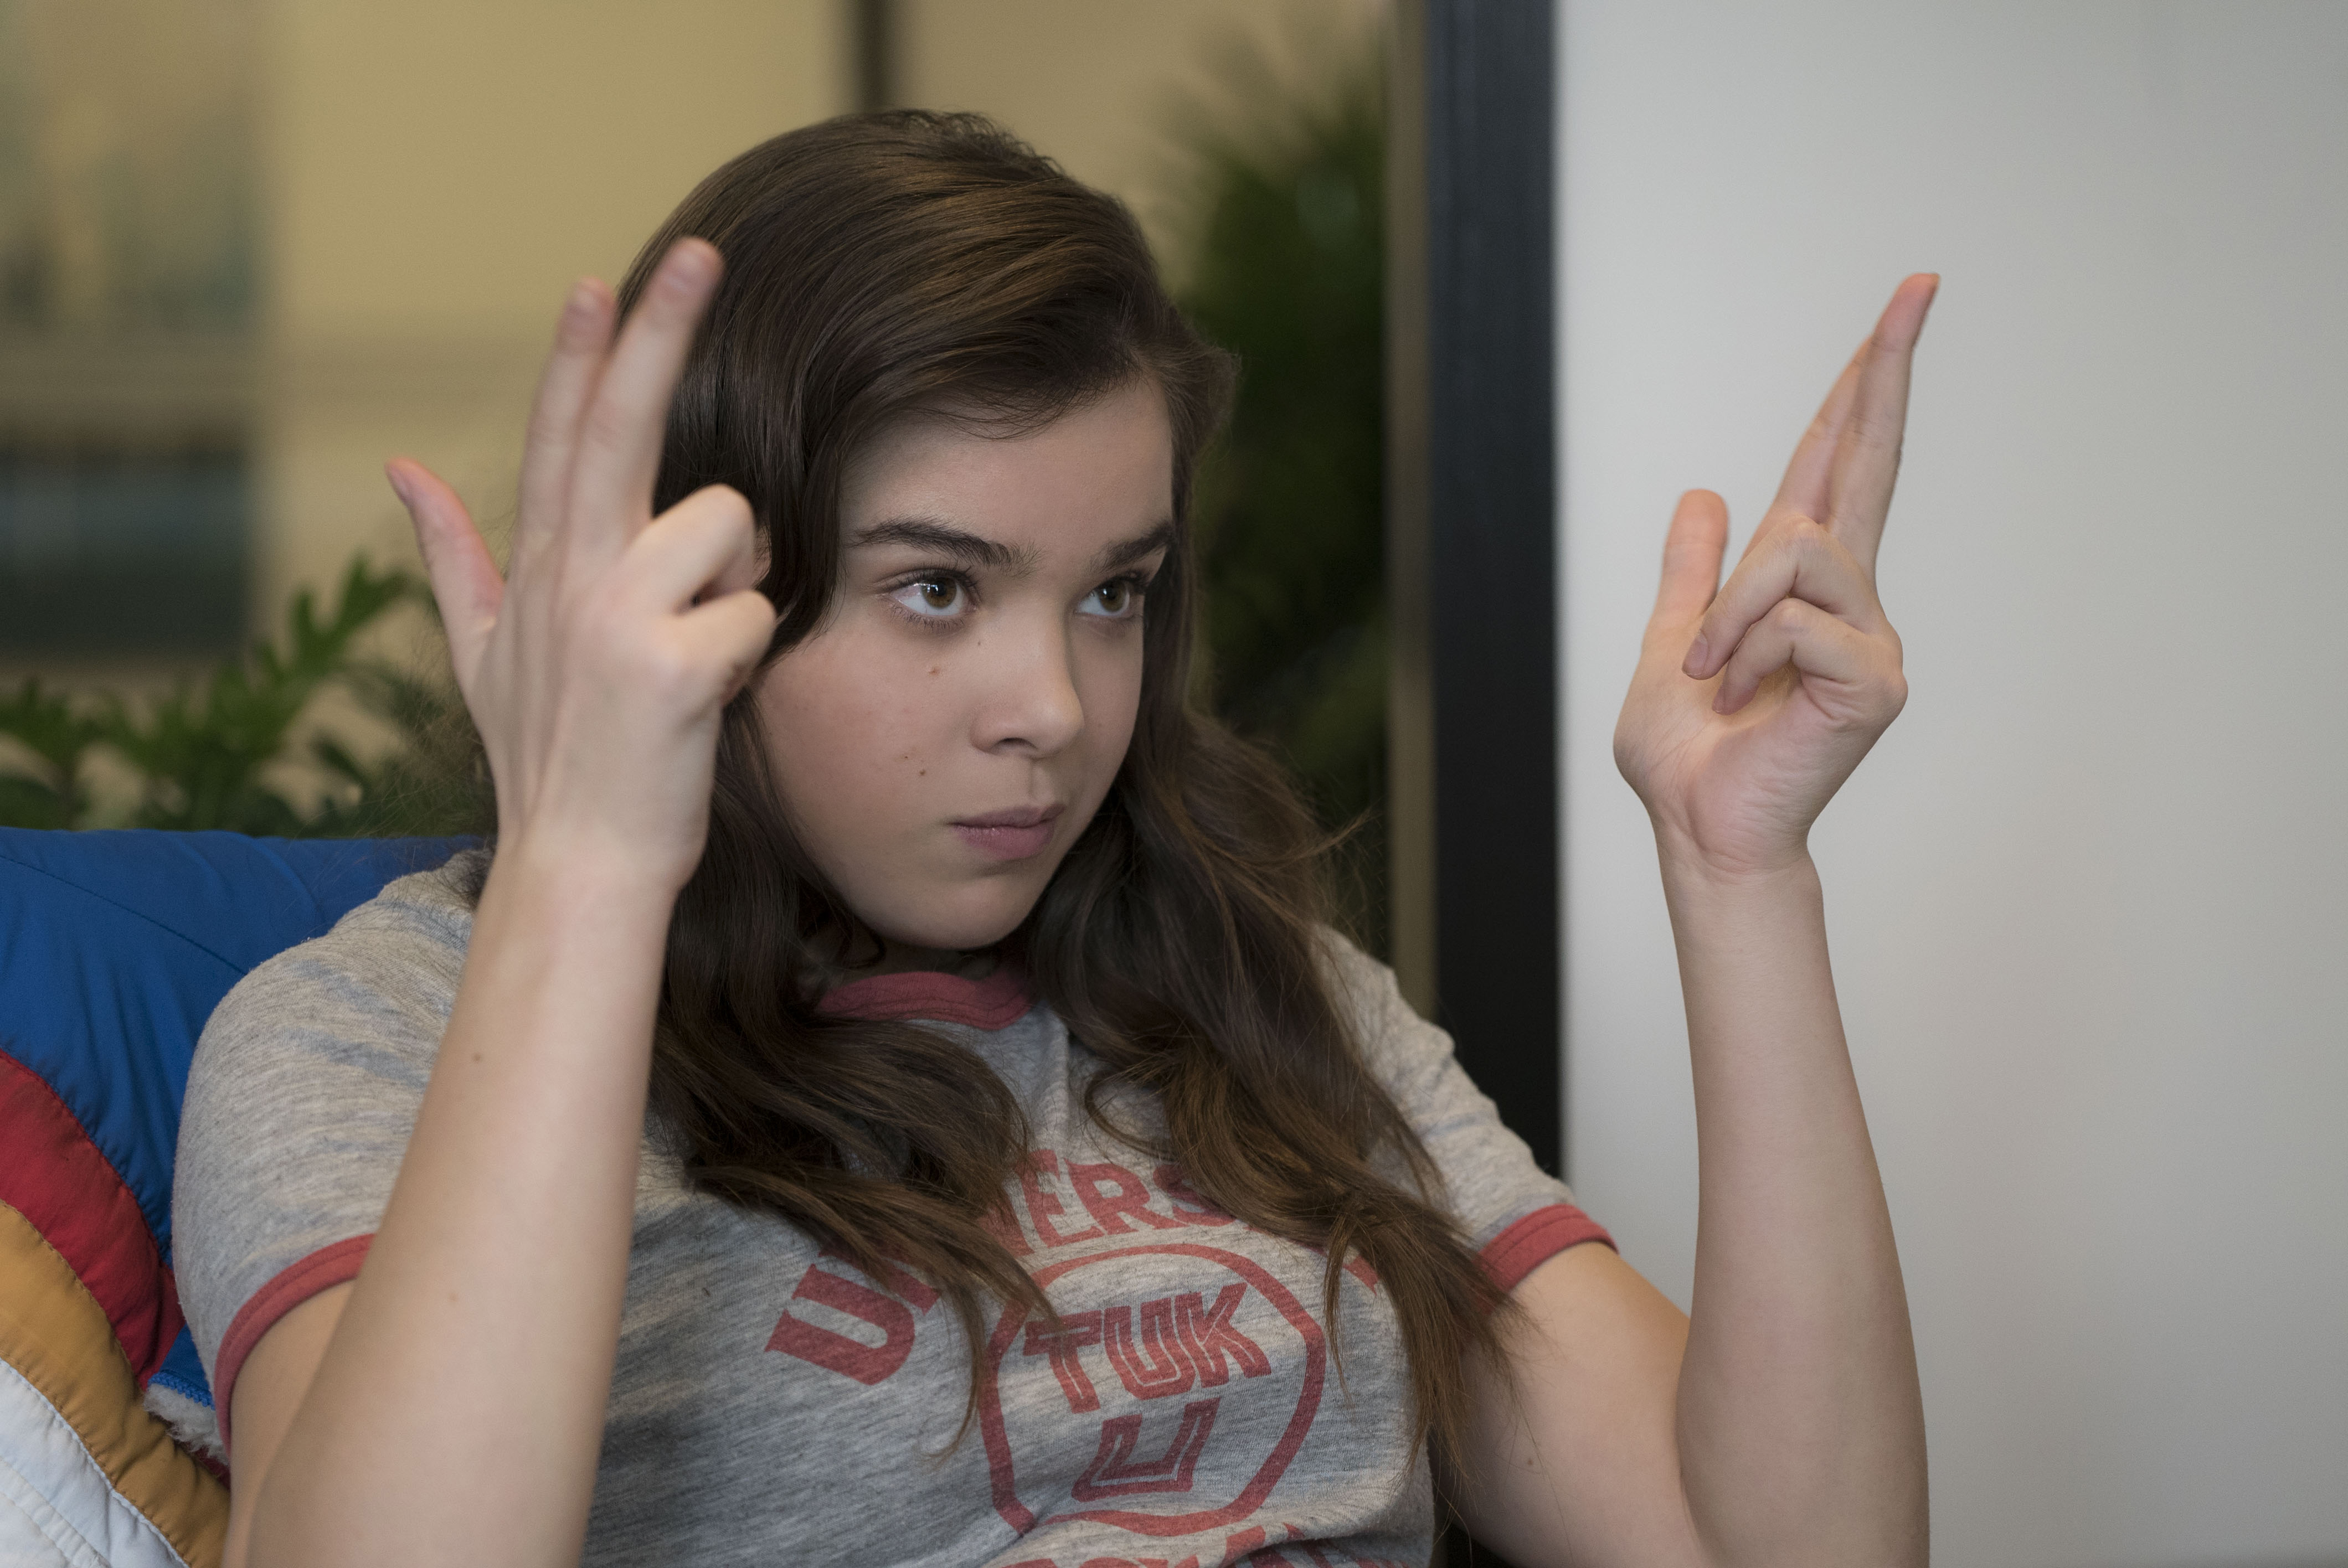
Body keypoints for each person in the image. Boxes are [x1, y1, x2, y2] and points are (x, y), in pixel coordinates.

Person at [174, 111, 1933, 1568]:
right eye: (939, 589)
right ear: (692, 592)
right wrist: (587, 864)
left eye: (1113, 593)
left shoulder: (1268, 998)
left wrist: (1740, 874)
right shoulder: (369, 1041)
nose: (1059, 707)